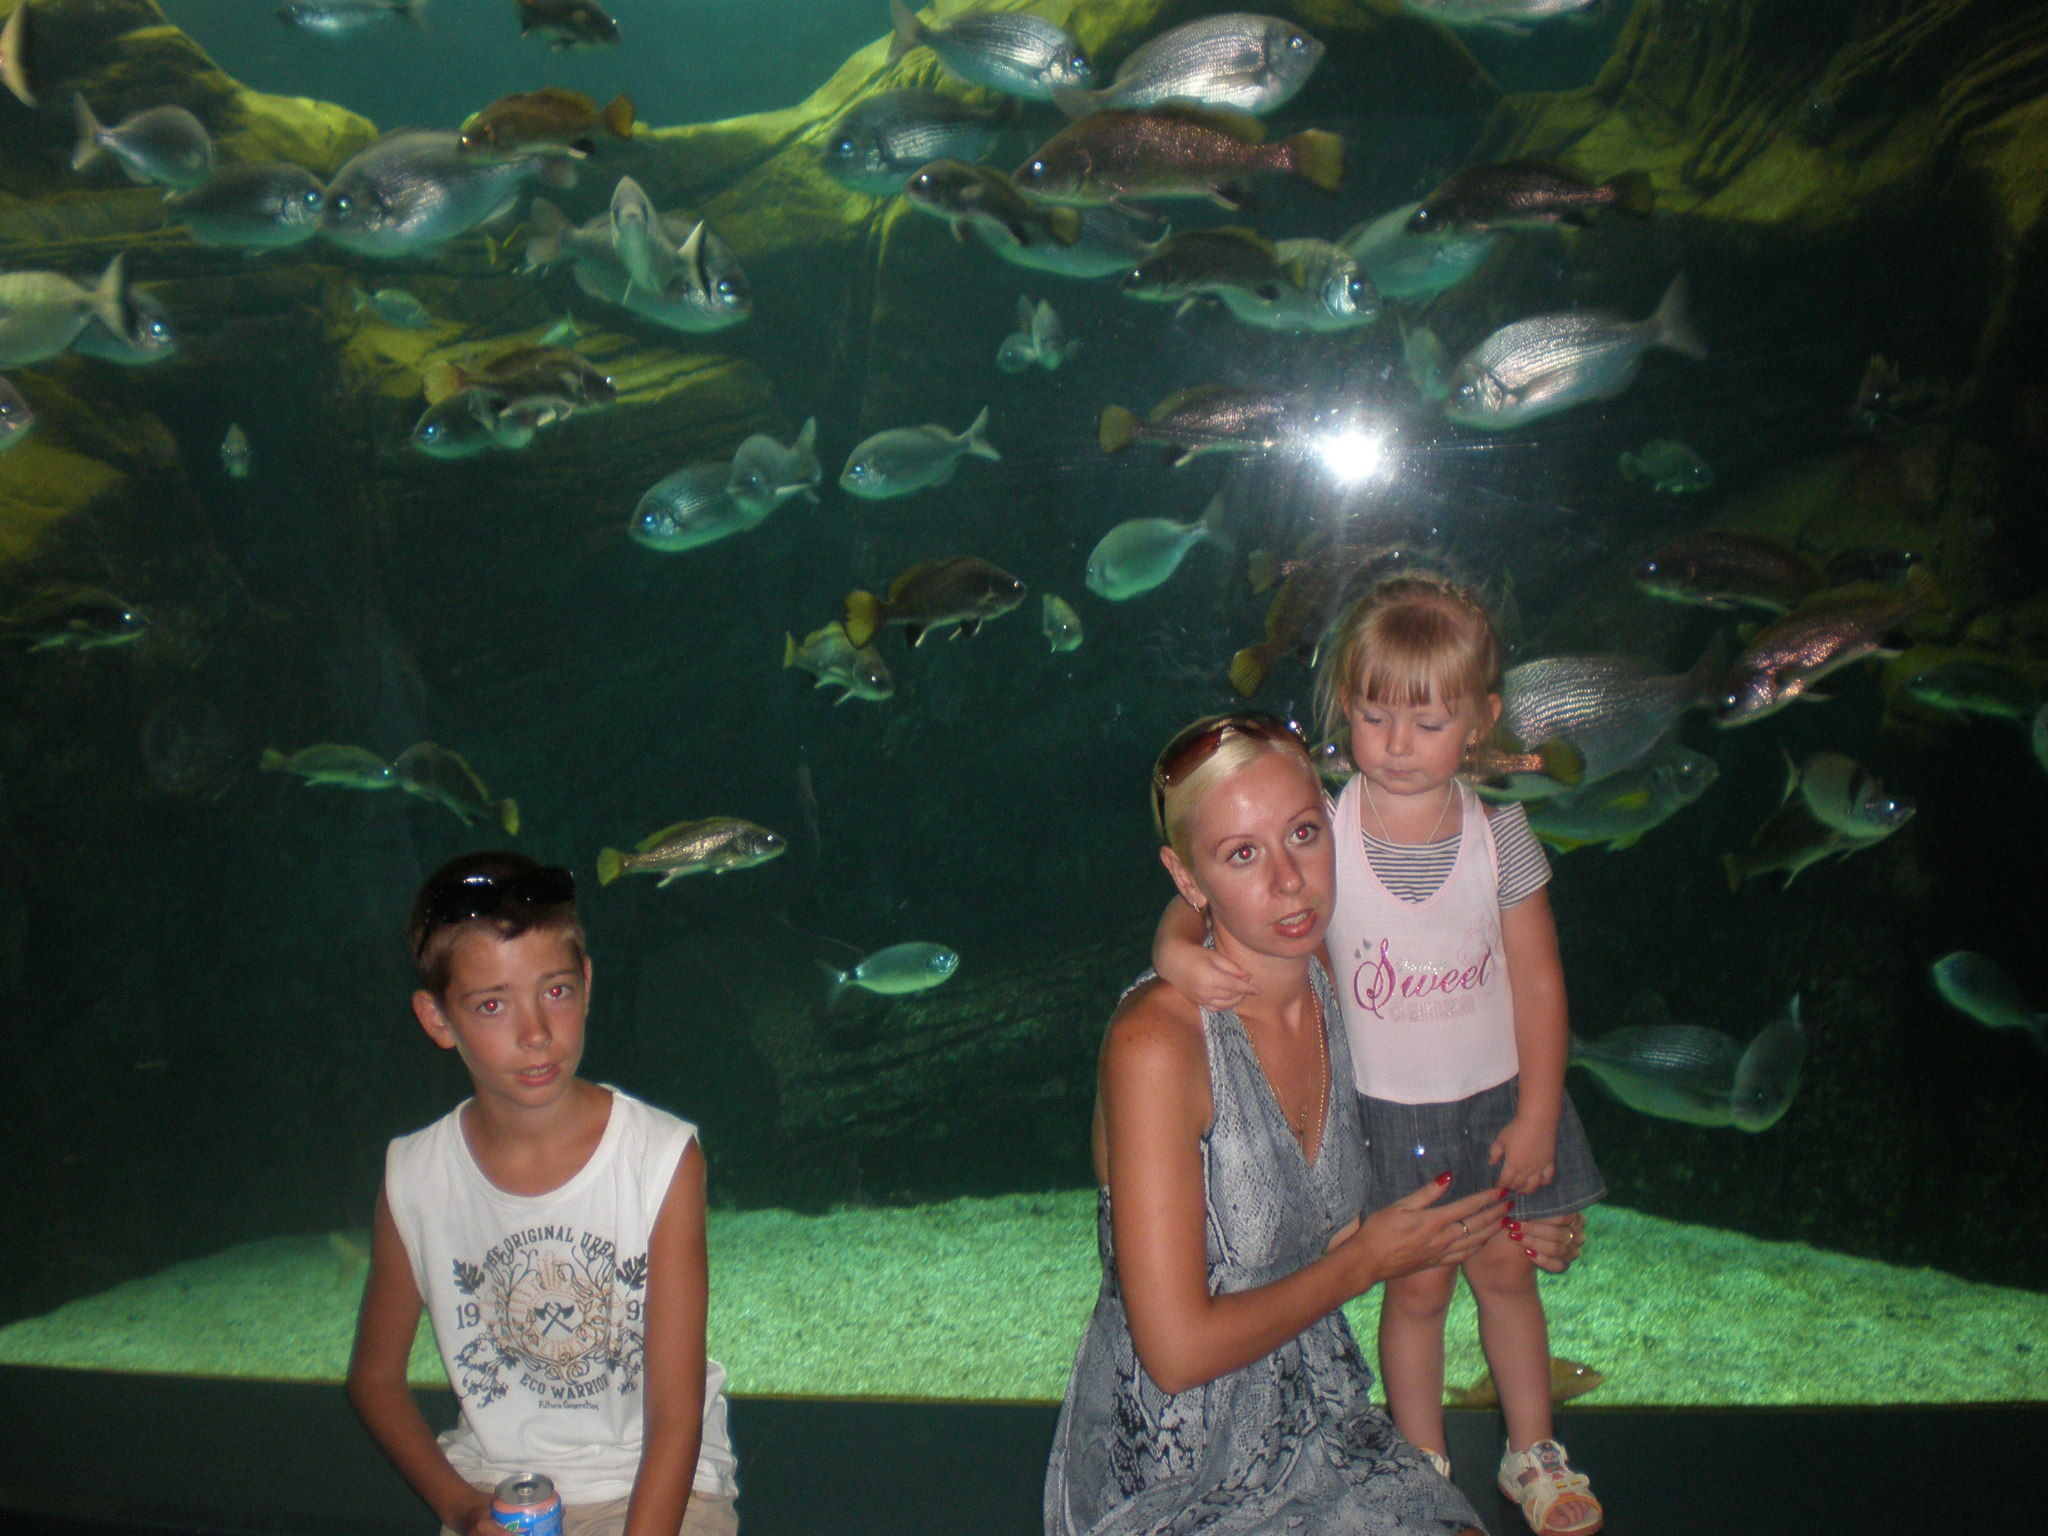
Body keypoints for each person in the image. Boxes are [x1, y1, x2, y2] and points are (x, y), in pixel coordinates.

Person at [1047, 713, 1586, 1536]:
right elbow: (1177, 1354)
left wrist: (1516, 1216)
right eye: (1241, 854)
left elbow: (1445, 1111)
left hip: (1323, 1418)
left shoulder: (1345, 975)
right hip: (1172, 1466)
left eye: (1303, 833)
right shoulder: (1156, 1046)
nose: (1290, 881)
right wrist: (1367, 1263)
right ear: (1186, 877)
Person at [1153, 577, 1606, 1536]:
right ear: (1345, 713)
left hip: (1497, 1102)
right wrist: (1174, 950)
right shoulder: (1327, 827)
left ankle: (1533, 1451)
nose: (1398, 744)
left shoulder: (1501, 832)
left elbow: (1539, 983)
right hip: (1386, 1111)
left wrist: (1538, 1114)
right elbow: (1212, 882)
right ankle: (1420, 1460)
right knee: (1416, 1286)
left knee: (1509, 1275)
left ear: (1480, 722)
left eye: (1428, 722)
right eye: (1373, 716)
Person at [347, 851, 740, 1536]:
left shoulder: (659, 1158)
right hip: (494, 1488)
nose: (535, 1032)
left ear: (587, 983)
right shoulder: (415, 1176)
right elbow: (375, 1380)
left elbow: (675, 1415)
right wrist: (462, 1508)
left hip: (655, 1486)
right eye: (492, 1004)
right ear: (437, 1019)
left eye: (555, 991)